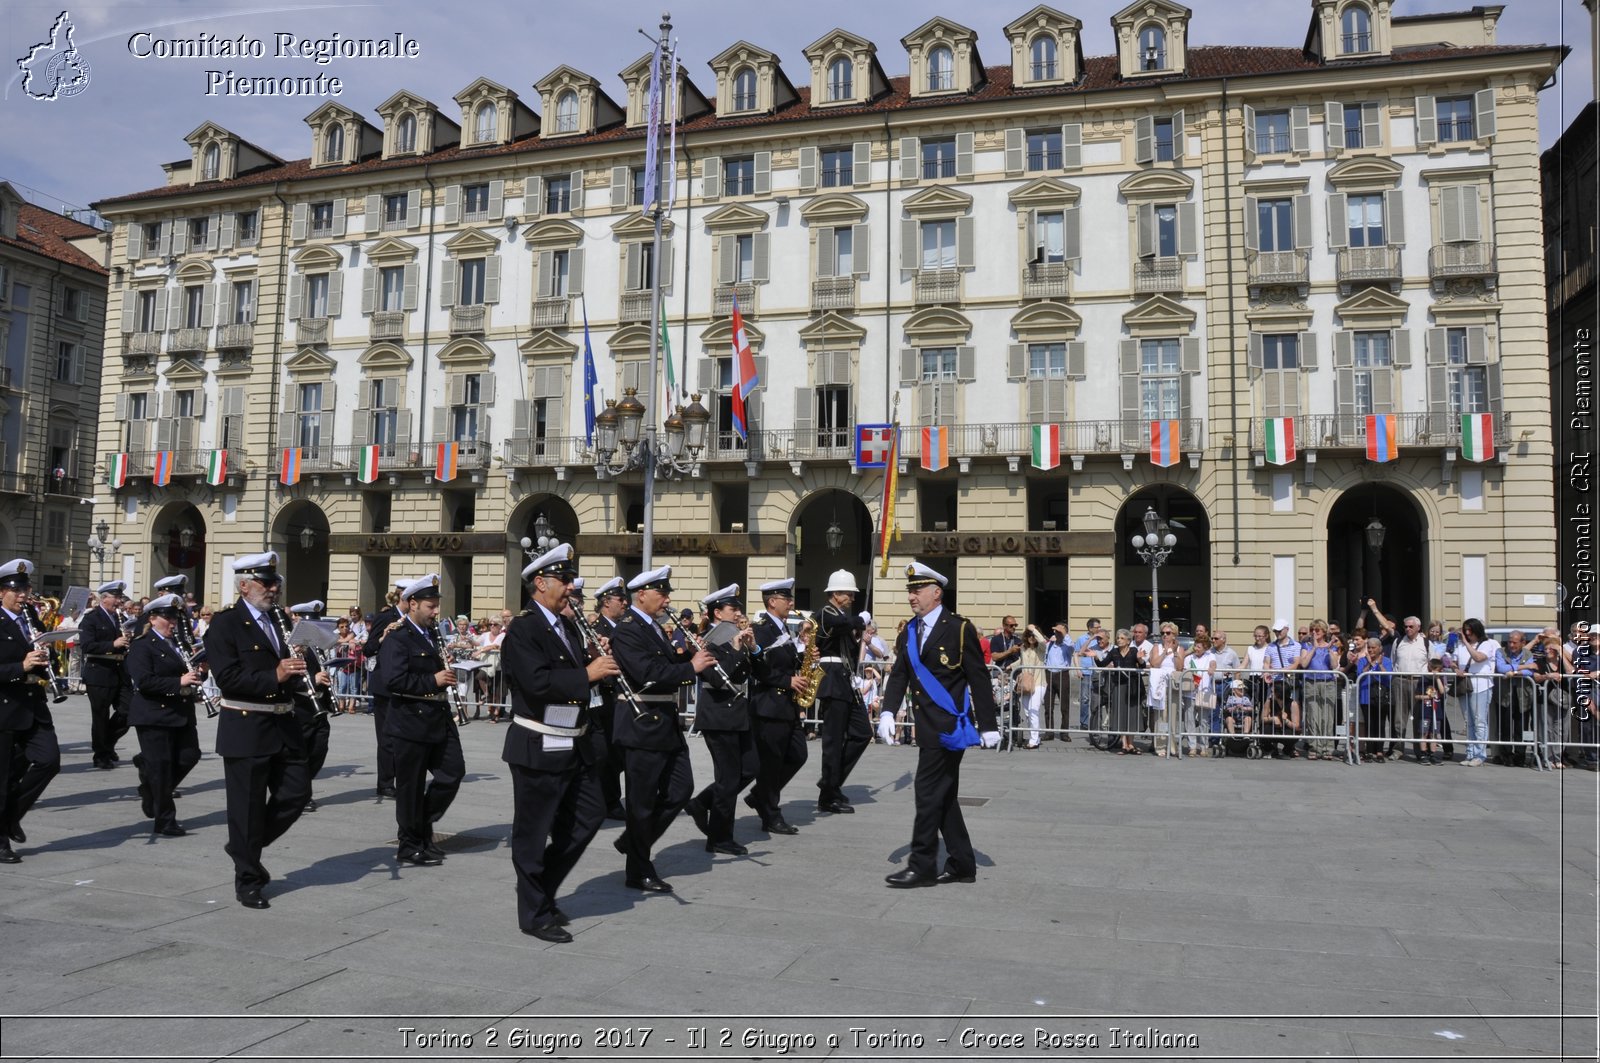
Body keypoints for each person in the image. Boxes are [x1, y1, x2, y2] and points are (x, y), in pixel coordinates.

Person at [500, 545, 620, 943]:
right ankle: (533, 913)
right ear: (540, 582)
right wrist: (586, 674)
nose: (571, 587)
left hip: (574, 740)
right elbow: (535, 684)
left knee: (590, 813)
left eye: (570, 580)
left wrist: (598, 671)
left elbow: (575, 679)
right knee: (533, 832)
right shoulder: (524, 628)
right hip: (537, 741)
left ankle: (539, 889)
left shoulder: (566, 626)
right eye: (565, 580)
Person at [880, 563, 1000, 888]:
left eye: (917, 590)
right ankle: (962, 863)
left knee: (927, 791)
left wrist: (988, 724)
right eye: (909, 590)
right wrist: (889, 712)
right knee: (943, 795)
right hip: (925, 724)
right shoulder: (909, 631)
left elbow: (978, 677)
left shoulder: (959, 628)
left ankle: (921, 866)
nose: (911, 597)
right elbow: (901, 674)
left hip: (950, 727)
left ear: (936, 593)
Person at [203, 552, 312, 909]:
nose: (274, 588)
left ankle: (242, 847)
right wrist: (275, 675)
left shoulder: (277, 620)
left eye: (275, 582)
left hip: (283, 723)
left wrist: (304, 673)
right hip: (247, 726)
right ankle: (248, 879)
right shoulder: (225, 624)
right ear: (245, 584)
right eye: (267, 582)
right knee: (246, 808)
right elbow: (228, 677)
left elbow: (285, 669)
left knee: (297, 794)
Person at [608, 566, 714, 892]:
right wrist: (689, 667)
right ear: (642, 594)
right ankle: (638, 869)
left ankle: (635, 840)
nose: (667, 598)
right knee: (641, 802)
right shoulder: (627, 629)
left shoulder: (654, 627)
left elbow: (666, 665)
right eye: (661, 592)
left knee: (681, 790)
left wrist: (690, 656)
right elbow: (645, 672)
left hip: (665, 720)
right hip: (642, 723)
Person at [378, 575, 465, 867]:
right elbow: (392, 680)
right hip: (410, 721)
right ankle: (410, 844)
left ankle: (423, 824)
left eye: (436, 606)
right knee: (410, 787)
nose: (435, 612)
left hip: (438, 718)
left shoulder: (431, 635)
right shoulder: (399, 638)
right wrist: (433, 679)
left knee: (452, 773)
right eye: (430, 606)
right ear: (412, 604)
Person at [684, 584, 759, 856]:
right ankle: (719, 837)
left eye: (738, 608)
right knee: (727, 779)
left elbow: (751, 673)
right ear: (717, 612)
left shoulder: (735, 637)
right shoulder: (705, 641)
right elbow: (717, 680)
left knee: (750, 768)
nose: (738, 613)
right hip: (718, 716)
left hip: (738, 713)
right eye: (733, 608)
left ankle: (702, 802)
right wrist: (738, 650)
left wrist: (752, 647)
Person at [124, 593, 204, 837]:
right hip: (153, 713)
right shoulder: (142, 645)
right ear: (153, 618)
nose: (173, 623)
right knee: (160, 766)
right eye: (168, 618)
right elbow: (144, 681)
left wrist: (201, 671)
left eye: (175, 619)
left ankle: (150, 787)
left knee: (190, 756)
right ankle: (164, 819)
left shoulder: (177, 644)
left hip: (180, 712)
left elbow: (187, 676)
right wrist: (179, 681)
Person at [0, 560, 62, 862]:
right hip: (5, 707)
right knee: (3, 778)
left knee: (50, 760)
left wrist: (49, 659)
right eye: (16, 589)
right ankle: (1, 840)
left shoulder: (32, 620)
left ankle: (11, 814)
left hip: (33, 705)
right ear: (1, 593)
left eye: (25, 588)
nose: (23, 594)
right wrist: (20, 667)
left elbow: (47, 658)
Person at [745, 578, 808, 836]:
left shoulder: (783, 629)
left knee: (798, 754)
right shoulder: (761, 629)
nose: (791, 603)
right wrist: (787, 680)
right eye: (787, 599)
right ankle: (771, 814)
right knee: (771, 763)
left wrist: (804, 655)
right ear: (772, 602)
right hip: (769, 704)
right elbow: (759, 668)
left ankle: (761, 796)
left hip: (786, 705)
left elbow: (784, 661)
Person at [814, 569, 871, 815]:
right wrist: (859, 621)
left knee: (862, 733)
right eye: (848, 593)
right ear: (836, 594)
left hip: (846, 679)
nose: (851, 598)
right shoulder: (826, 613)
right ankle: (828, 794)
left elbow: (848, 644)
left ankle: (831, 781)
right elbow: (836, 624)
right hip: (832, 679)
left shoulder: (842, 616)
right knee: (833, 741)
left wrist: (859, 637)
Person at [79, 579, 134, 769]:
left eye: (120, 597)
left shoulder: (120, 618)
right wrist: (113, 645)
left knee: (129, 711)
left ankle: (107, 743)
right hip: (100, 672)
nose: (119, 601)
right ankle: (101, 754)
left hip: (120, 671)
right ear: (104, 598)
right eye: (116, 597)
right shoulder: (91, 618)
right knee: (100, 716)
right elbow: (87, 646)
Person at [286, 601, 336, 811]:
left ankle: (302, 787)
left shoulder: (315, 647)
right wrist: (313, 679)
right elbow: (285, 679)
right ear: (297, 621)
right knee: (301, 752)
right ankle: (299, 793)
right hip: (300, 706)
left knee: (319, 748)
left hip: (318, 705)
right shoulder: (288, 646)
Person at [362, 581, 407, 798]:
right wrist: (383, 637)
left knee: (405, 737)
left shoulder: (417, 622)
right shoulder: (385, 618)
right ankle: (386, 782)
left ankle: (404, 776)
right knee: (387, 738)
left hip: (406, 685)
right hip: (385, 687)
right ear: (403, 598)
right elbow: (368, 649)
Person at [590, 577, 628, 818]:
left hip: (622, 699)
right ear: (606, 602)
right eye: (620, 599)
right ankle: (609, 801)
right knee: (608, 754)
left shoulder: (624, 628)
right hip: (605, 700)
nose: (625, 603)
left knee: (618, 754)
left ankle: (608, 798)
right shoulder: (597, 630)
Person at [1451, 618, 1498, 766]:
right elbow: (1453, 660)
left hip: (1481, 686)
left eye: (1469, 630)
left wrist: (1466, 642)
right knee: (1469, 721)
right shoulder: (1460, 646)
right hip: (1466, 686)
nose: (1466, 633)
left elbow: (1478, 658)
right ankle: (1470, 752)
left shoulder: (1487, 644)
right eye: (1465, 630)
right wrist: (1455, 668)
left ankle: (1480, 754)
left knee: (1479, 721)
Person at [1297, 620, 1340, 761]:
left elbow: (1334, 666)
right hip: (1311, 682)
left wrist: (1328, 649)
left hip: (1327, 683)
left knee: (1327, 717)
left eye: (1318, 630)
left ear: (1324, 632)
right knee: (1313, 715)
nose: (1315, 633)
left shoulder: (1331, 646)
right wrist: (1314, 648)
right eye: (1313, 630)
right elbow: (1303, 663)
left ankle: (1327, 748)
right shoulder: (1306, 645)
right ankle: (1314, 747)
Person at [1096, 628, 1143, 754]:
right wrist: (1095, 656)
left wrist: (1140, 659)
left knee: (1131, 714)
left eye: (1122, 638)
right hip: (1118, 686)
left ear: (1128, 640)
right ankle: (1124, 744)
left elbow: (1142, 666)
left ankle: (1131, 744)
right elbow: (1102, 664)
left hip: (1132, 686)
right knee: (1121, 713)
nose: (1119, 640)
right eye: (1118, 638)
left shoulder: (1134, 651)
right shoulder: (1114, 652)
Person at [1262, 619, 1302, 759]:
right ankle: (1270, 746)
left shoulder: (1296, 645)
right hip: (1274, 683)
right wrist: (1267, 672)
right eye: (1275, 631)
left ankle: (1289, 746)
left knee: (1291, 708)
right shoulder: (1271, 646)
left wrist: (1278, 670)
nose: (1277, 633)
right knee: (1271, 706)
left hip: (1289, 682)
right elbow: (1266, 663)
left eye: (1279, 630)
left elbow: (1296, 663)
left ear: (1286, 629)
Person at [1352, 637, 1394, 761]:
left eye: (1373, 647)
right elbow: (1360, 676)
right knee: (1369, 724)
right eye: (1369, 647)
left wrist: (1379, 665)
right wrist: (1369, 664)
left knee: (1380, 724)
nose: (1370, 650)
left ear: (1380, 648)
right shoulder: (1362, 661)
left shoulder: (1386, 660)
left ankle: (1379, 751)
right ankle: (1370, 751)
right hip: (1366, 697)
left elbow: (1388, 678)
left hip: (1381, 698)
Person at [1148, 623, 1183, 757]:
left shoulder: (1179, 649)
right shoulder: (1157, 647)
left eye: (1168, 633)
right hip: (1160, 686)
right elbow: (1155, 663)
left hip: (1173, 685)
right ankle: (1161, 745)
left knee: (1173, 716)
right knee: (1161, 717)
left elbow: (1179, 667)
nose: (1165, 635)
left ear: (1174, 634)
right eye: (1163, 633)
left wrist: (1174, 652)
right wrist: (1164, 652)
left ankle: (1172, 745)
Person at [1016, 626, 1047, 749]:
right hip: (1026, 683)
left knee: (1033, 709)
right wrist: (1010, 667)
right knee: (1028, 712)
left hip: (1039, 682)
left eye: (1033, 635)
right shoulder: (1023, 648)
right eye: (1029, 635)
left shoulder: (1040, 648)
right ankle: (1036, 737)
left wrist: (1034, 630)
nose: (1031, 638)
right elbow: (1021, 662)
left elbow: (1043, 642)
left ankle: (1033, 741)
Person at [1416, 657, 1448, 764]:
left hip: (1436, 711)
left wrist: (1438, 678)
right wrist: (1426, 696)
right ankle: (1423, 753)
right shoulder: (1423, 679)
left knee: (1434, 734)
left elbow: (1442, 691)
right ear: (1429, 668)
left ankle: (1433, 754)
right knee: (1424, 733)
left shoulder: (1440, 679)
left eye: (1438, 669)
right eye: (1433, 668)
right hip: (1425, 710)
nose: (1435, 671)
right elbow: (1416, 696)